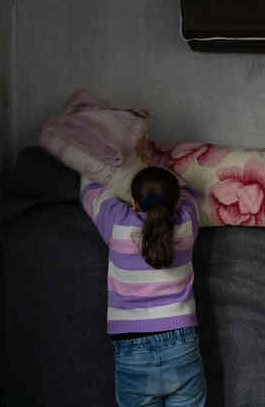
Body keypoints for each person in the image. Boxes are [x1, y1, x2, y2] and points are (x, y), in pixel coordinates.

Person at [80, 166, 206, 407]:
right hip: (182, 344)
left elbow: (90, 188)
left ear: (134, 204)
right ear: (177, 202)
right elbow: (187, 190)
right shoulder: (187, 220)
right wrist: (157, 161)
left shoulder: (117, 221)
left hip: (131, 349)